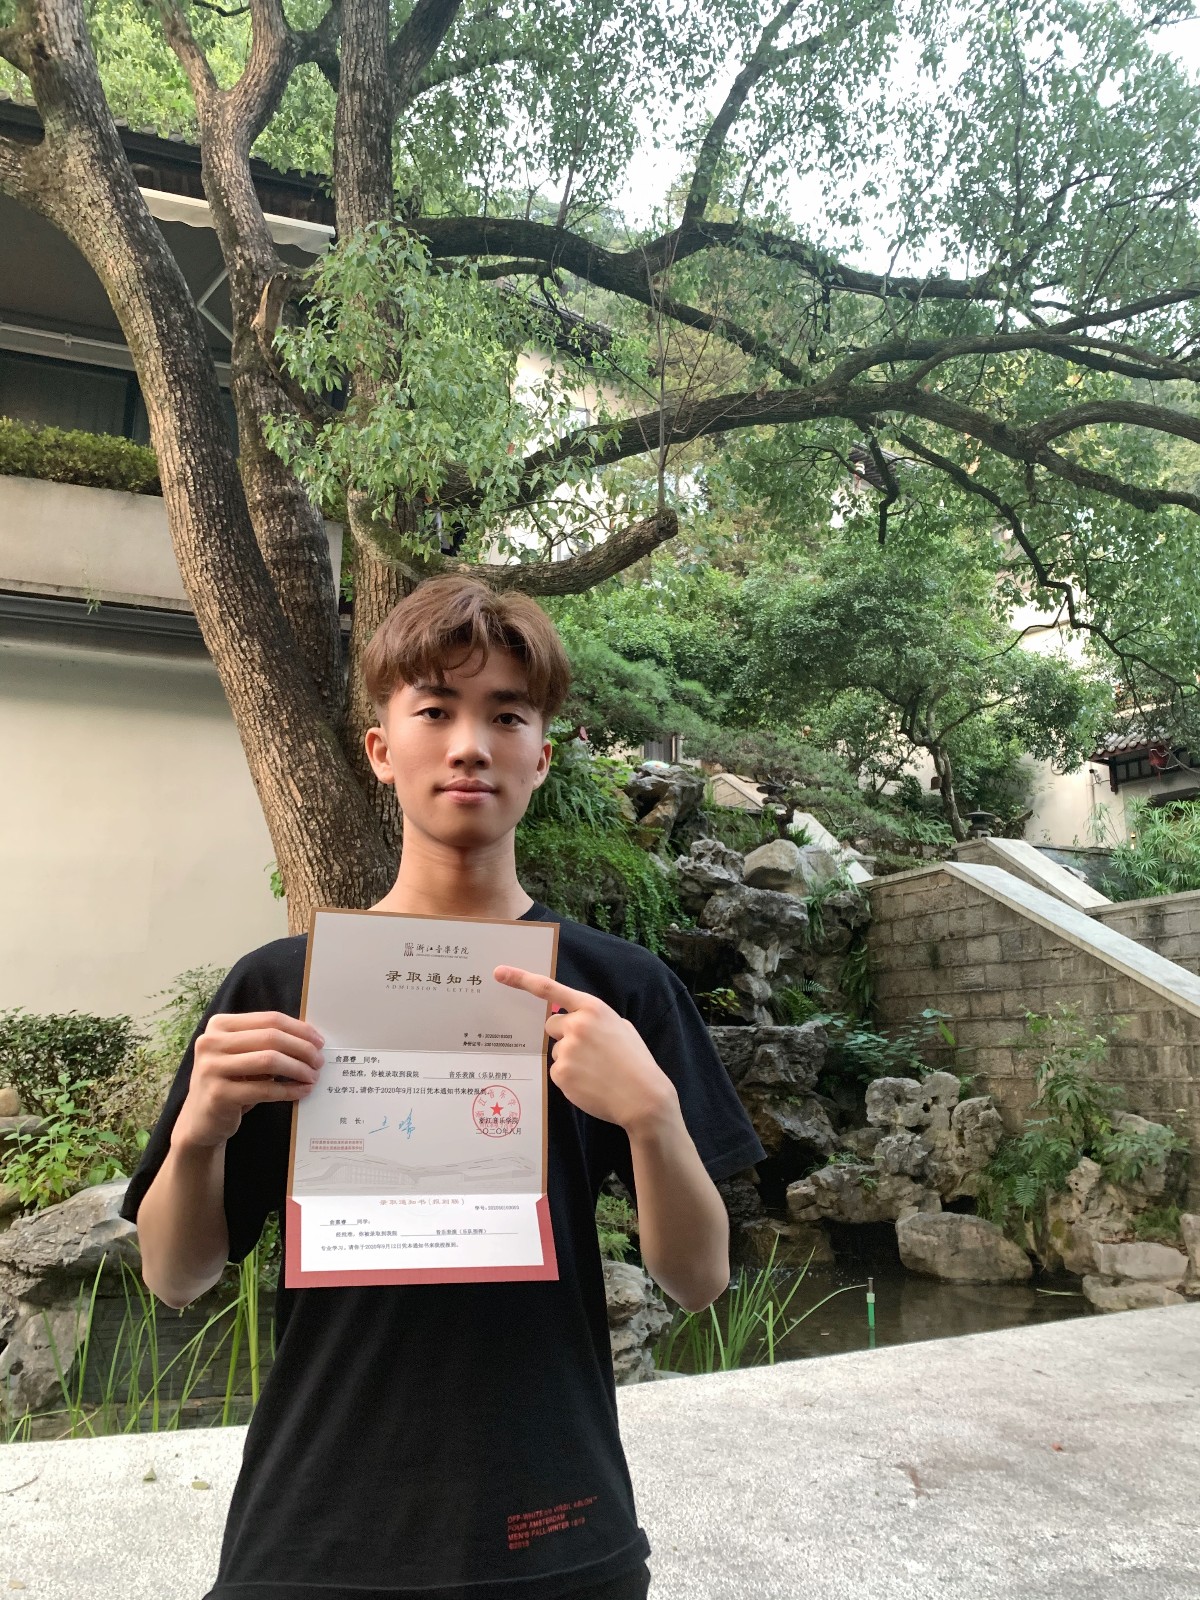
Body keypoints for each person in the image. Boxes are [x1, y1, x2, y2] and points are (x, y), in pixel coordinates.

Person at [121, 575, 766, 1600]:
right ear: (382, 749)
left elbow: (698, 1280)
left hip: (555, 1529)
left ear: (541, 757)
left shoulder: (619, 990)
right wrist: (200, 1132)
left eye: (507, 716)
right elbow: (175, 1275)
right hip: (314, 1538)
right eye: (435, 711)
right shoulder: (280, 990)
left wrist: (651, 1115)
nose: (470, 745)